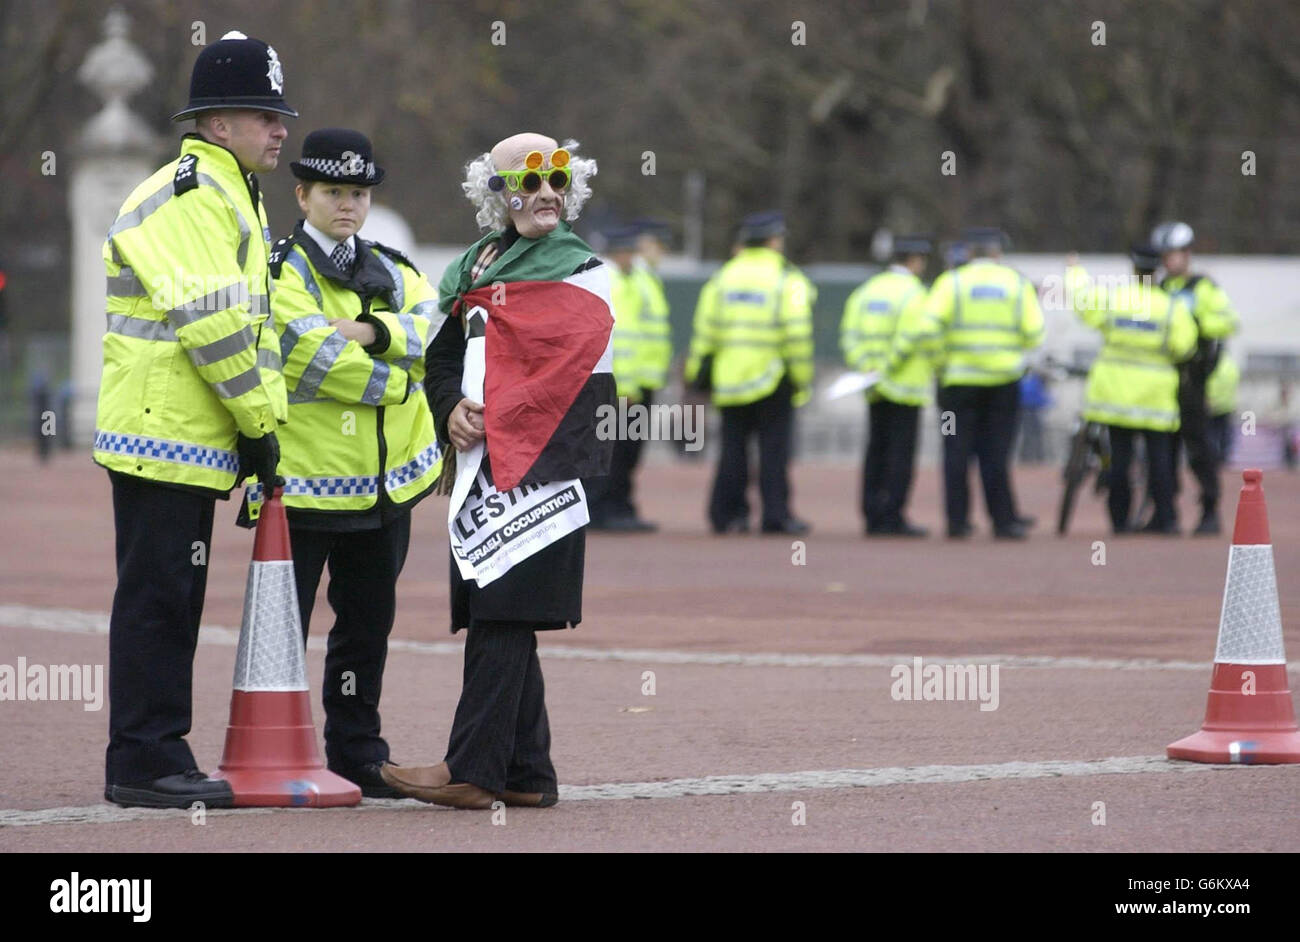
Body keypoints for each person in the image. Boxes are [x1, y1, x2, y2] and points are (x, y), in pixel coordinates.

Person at [93, 31, 295, 808]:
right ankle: (144, 759)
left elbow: (251, 327)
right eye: (263, 114)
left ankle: (152, 751)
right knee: (157, 601)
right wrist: (257, 426)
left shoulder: (228, 192)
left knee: (170, 599)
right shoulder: (192, 195)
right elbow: (213, 326)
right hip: (162, 434)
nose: (280, 128)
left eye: (280, 115)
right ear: (217, 124)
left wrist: (258, 427)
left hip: (180, 434)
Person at [381, 133, 611, 809]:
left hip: (545, 469)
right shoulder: (474, 265)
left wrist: (504, 422)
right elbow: (441, 353)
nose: (545, 195)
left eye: (558, 181)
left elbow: (570, 378)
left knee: (503, 614)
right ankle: (526, 774)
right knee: (499, 610)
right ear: (498, 194)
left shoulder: (581, 270)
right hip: (483, 464)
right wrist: (450, 406)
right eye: (529, 182)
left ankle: (472, 772)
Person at [254, 128, 443, 797]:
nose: (347, 205)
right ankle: (276, 751)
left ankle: (356, 752)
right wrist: (402, 378)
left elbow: (437, 328)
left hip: (386, 490)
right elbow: (311, 356)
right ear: (302, 193)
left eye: (358, 193)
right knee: (286, 630)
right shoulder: (279, 269)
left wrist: (373, 332)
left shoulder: (391, 263)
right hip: (307, 485)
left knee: (366, 630)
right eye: (333, 191)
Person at [685, 211, 815, 534]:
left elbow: (705, 333)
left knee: (732, 448)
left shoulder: (722, 278)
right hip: (773, 378)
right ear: (774, 241)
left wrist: (696, 375)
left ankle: (726, 514)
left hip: (729, 378)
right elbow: (796, 334)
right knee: (774, 450)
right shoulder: (788, 279)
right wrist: (801, 377)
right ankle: (776, 515)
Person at [923, 227, 1044, 540]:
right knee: (996, 453)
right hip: (1002, 383)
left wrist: (940, 365)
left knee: (955, 451)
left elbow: (929, 327)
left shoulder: (951, 283)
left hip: (957, 386)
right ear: (997, 253)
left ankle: (957, 521)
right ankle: (1003, 521)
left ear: (969, 253)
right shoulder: (1016, 284)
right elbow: (1034, 333)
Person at [1069, 244, 1197, 534]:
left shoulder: (1115, 300)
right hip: (1156, 398)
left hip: (1115, 397)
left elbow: (1082, 303)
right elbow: (1184, 347)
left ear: (1134, 270)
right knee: (1160, 460)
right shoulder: (1171, 306)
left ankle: (1120, 521)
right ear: (1158, 270)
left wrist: (1074, 271)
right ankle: (1166, 519)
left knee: (1118, 460)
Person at [840, 234, 935, 536]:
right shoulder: (915, 293)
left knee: (875, 450)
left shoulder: (867, 291)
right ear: (915, 261)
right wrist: (887, 367)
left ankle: (871, 513)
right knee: (901, 454)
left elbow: (849, 334)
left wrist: (866, 366)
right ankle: (893, 515)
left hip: (871, 385)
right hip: (904, 386)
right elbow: (910, 338)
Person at [1150, 221, 1239, 535]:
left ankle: (1209, 509)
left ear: (1187, 254)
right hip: (1161, 378)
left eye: (1173, 254)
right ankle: (1164, 511)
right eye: (1164, 255)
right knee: (1162, 448)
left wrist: (1194, 323)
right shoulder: (1158, 289)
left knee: (1199, 447)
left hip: (1193, 378)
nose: (1168, 261)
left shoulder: (1203, 287)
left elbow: (1227, 323)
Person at [586, 225, 657, 531]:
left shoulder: (638, 280)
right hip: (616, 384)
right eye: (626, 250)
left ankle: (621, 507)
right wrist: (623, 387)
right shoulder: (608, 279)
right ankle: (603, 510)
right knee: (611, 451)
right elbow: (615, 339)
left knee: (628, 452)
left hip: (638, 383)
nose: (631, 256)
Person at [1206, 348, 1240, 466]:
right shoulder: (1231, 366)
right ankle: (1224, 457)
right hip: (1227, 405)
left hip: (1211, 404)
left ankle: (1212, 457)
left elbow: (1208, 384)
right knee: (1224, 433)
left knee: (1211, 433)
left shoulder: (1212, 365)